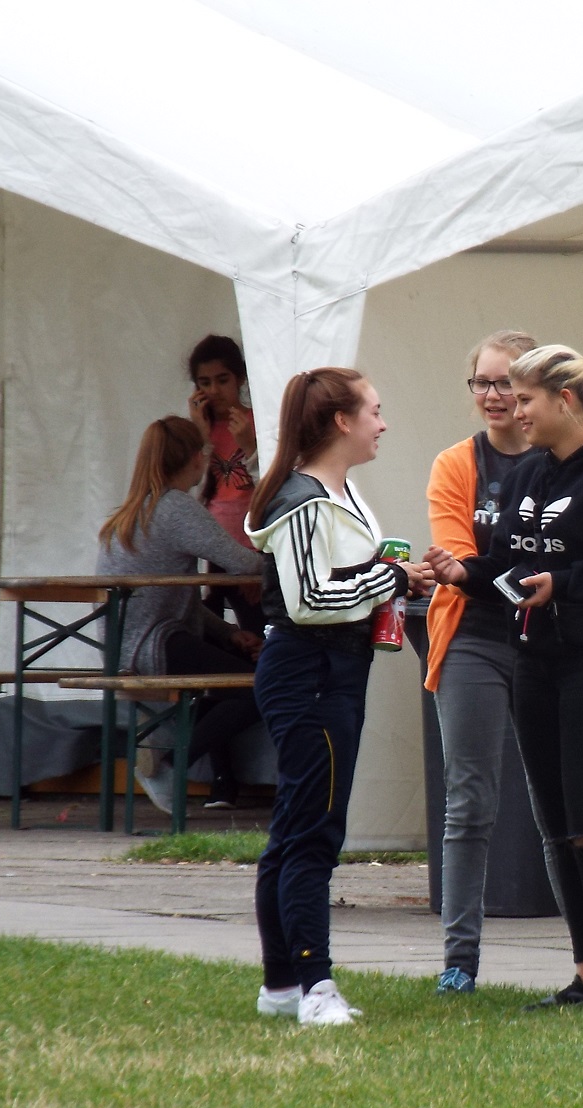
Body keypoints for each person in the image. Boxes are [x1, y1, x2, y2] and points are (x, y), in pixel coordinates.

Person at [425, 345, 583, 1015]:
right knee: (559, 827)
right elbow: (508, 563)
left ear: (566, 400)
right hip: (536, 662)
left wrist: (563, 584)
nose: (514, 408)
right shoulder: (532, 471)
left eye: (525, 397)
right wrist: (463, 573)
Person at [245, 367, 432, 1027]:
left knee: (296, 827)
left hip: (333, 670)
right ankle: (315, 986)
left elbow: (343, 576)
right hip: (310, 670)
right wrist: (390, 579)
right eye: (374, 412)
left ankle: (281, 985)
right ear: (341, 421)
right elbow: (310, 599)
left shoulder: (338, 491)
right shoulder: (302, 500)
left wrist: (396, 574)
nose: (383, 424)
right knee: (313, 833)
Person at [424, 329, 560, 996]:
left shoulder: (564, 460)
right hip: (473, 638)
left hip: (551, 640)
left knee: (558, 800)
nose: (494, 395)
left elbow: (567, 558)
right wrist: (515, 578)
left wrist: (504, 575)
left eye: (507, 382)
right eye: (483, 382)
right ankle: (460, 960)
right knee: (470, 799)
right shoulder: (457, 463)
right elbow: (458, 562)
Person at [96, 415, 264, 811]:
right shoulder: (175, 508)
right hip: (154, 645)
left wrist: (228, 634)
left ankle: (164, 745)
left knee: (241, 679)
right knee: (261, 687)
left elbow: (172, 598)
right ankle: (169, 764)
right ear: (194, 458)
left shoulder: (130, 513)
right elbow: (243, 563)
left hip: (126, 648)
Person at [186, 334, 265, 633]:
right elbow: (192, 490)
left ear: (240, 378)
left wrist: (250, 446)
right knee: (215, 631)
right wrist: (200, 438)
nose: (214, 391)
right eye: (204, 383)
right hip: (215, 546)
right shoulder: (199, 428)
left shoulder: (257, 422)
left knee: (256, 628)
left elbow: (272, 489)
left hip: (252, 548)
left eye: (222, 380)